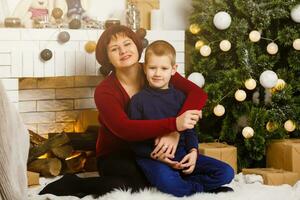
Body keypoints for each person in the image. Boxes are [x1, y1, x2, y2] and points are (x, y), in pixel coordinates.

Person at [39, 25, 206, 197]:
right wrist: (174, 124)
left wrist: (175, 131)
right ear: (107, 57)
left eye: (127, 44)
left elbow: (197, 94)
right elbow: (124, 128)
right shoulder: (105, 91)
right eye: (114, 49)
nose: (123, 51)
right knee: (138, 185)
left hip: (150, 148)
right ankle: (74, 183)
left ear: (136, 46)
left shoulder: (154, 69)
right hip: (116, 154)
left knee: (167, 174)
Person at [128, 40, 234, 197]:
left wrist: (193, 152)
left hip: (182, 153)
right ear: (144, 68)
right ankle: (196, 188)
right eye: (152, 68)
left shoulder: (180, 98)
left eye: (164, 68)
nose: (157, 73)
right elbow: (134, 140)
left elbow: (189, 130)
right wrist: (159, 157)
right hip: (155, 158)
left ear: (173, 69)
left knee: (227, 172)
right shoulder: (138, 101)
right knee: (170, 183)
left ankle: (187, 183)